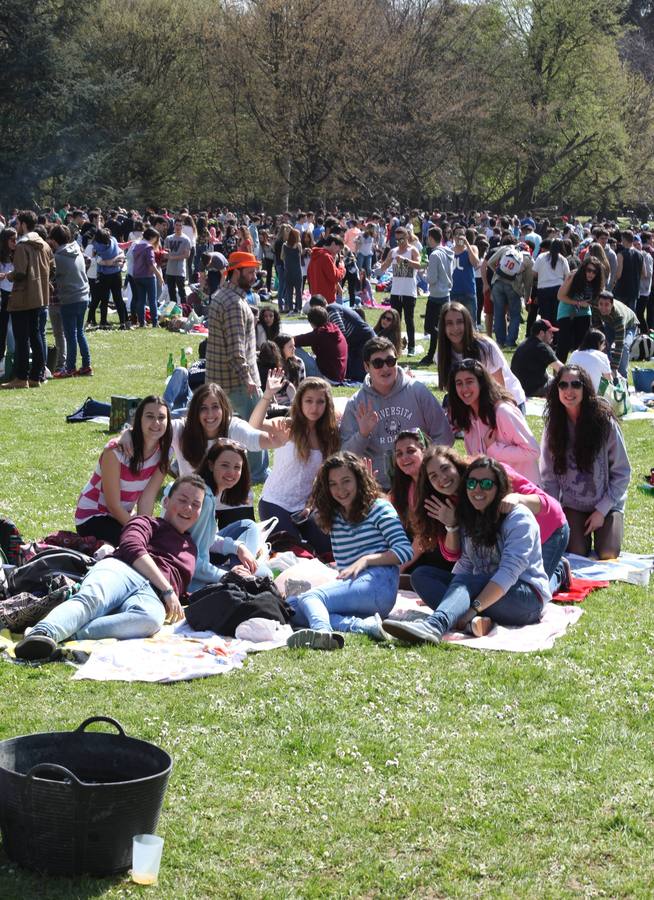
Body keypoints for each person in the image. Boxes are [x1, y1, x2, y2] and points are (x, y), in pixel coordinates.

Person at [14, 475, 207, 660]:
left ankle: (70, 634)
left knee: (150, 620)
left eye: (196, 504)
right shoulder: (147, 522)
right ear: (165, 502)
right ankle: (43, 632)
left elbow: (181, 586)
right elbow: (132, 547)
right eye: (182, 500)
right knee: (94, 599)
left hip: (152, 594)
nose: (188, 508)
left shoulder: (191, 548)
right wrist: (168, 589)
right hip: (123, 569)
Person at [383, 457, 550, 644]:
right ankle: (473, 622)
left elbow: (508, 573)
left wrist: (473, 608)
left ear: (499, 487)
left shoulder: (518, 518)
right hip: (484, 593)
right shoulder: (470, 516)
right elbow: (467, 562)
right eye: (471, 483)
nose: (477, 490)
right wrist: (450, 597)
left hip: (524, 599)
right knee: (422, 576)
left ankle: (434, 626)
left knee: (466, 583)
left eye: (486, 484)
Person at [408, 445, 569, 605]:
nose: (442, 478)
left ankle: (559, 571)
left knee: (533, 590)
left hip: (548, 530)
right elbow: (453, 555)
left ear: (456, 465)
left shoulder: (487, 471)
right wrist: (452, 526)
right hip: (505, 545)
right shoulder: (441, 503)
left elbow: (549, 504)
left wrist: (519, 498)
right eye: (433, 476)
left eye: (445, 468)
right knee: (499, 586)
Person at [286, 452, 413, 650]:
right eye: (333, 484)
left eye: (346, 481)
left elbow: (405, 551)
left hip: (379, 584)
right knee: (292, 607)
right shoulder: (333, 515)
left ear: (359, 480)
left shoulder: (379, 507)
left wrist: (367, 560)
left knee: (311, 598)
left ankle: (322, 633)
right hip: (354, 589)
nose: (340, 490)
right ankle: (364, 626)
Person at [540, 365, 631, 558]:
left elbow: (622, 472)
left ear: (585, 388)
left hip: (606, 502)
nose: (569, 391)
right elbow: (549, 477)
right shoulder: (553, 427)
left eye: (575, 384)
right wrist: (554, 515)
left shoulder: (604, 422)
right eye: (563, 385)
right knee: (575, 553)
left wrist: (602, 510)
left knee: (608, 552)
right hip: (573, 504)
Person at [340, 337, 453, 491]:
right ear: (367, 366)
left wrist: (426, 468)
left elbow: (445, 436)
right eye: (378, 363)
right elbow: (345, 456)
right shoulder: (357, 403)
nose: (385, 368)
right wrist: (362, 434)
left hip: (421, 483)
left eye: (390, 361)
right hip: (378, 488)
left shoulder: (417, 391)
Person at [254, 374, 340, 554]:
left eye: (320, 402)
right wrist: (268, 394)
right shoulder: (288, 426)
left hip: (306, 508)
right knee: (295, 552)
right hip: (275, 502)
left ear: (327, 404)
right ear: (299, 402)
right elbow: (254, 425)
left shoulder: (330, 436)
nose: (314, 407)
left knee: (328, 550)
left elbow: (324, 478)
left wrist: (311, 505)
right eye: (308, 401)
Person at [75, 396, 173, 546]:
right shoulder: (115, 451)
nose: (156, 423)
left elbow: (147, 499)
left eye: (161, 417)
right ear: (139, 419)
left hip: (122, 516)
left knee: (156, 542)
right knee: (135, 546)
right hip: (93, 516)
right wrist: (138, 531)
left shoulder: (165, 453)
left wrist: (143, 529)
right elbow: (113, 504)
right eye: (149, 416)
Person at [206, 251, 268, 483]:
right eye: (249, 272)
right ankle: (257, 474)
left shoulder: (223, 295)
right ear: (236, 272)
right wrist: (248, 378)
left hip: (218, 378)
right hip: (238, 381)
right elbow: (236, 348)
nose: (254, 276)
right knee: (254, 428)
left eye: (254, 271)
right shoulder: (234, 303)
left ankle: (187, 463)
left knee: (217, 429)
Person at [448, 358, 541, 484]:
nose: (464, 388)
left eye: (469, 382)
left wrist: (494, 449)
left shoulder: (503, 412)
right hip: (492, 491)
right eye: (459, 383)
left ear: (481, 383)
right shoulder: (468, 417)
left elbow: (533, 451)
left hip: (523, 492)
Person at [436, 302, 526, 408]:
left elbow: (499, 389)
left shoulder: (485, 347)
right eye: (449, 323)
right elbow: (452, 389)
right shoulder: (442, 354)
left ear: (467, 323)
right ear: (443, 327)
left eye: (460, 322)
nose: (455, 328)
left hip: (505, 401)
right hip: (474, 404)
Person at [1, 210, 53, 390]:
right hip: (39, 297)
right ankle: (36, 376)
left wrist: (7, 275)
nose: (16, 227)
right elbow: (52, 267)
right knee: (36, 335)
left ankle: (21, 377)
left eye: (17, 223)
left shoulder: (23, 246)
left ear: (23, 224)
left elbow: (20, 272)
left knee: (22, 339)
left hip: (23, 298)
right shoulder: (44, 244)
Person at [48, 224, 93, 377]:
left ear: (54, 240)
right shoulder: (77, 250)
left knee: (70, 335)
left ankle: (70, 368)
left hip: (69, 298)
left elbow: (51, 276)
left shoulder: (58, 257)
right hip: (84, 296)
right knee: (79, 332)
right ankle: (86, 366)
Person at [377, 227, 421, 355]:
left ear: (407, 237)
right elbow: (383, 269)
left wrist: (406, 261)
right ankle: (395, 346)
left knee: (409, 320)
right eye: (397, 240)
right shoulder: (393, 251)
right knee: (395, 322)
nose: (399, 242)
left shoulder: (412, 250)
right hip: (395, 291)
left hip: (409, 291)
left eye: (401, 239)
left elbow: (420, 265)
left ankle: (411, 347)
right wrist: (389, 260)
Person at [485, 239, 534, 348]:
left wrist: (498, 272)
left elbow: (489, 262)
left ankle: (500, 341)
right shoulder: (528, 260)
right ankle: (510, 341)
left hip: (497, 283)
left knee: (498, 313)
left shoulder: (506, 249)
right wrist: (527, 298)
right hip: (514, 287)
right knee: (515, 315)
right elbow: (528, 282)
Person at [556, 255, 604, 362]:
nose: (591, 274)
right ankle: (558, 374)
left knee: (582, 346)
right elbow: (560, 296)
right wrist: (578, 302)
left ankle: (579, 371)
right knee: (563, 345)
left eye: (594, 272)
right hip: (566, 312)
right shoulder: (574, 276)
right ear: (583, 269)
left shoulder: (597, 282)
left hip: (584, 313)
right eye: (589, 270)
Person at [419, 226, 454, 365]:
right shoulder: (448, 252)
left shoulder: (434, 255)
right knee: (440, 328)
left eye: (428, 238)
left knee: (430, 327)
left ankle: (431, 355)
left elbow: (432, 279)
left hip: (435, 296)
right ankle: (440, 354)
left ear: (432, 238)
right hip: (446, 294)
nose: (427, 240)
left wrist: (422, 274)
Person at [591, 290, 639, 380]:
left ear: (612, 305)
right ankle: (606, 374)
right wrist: (604, 344)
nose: (603, 307)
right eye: (601, 304)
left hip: (630, 325)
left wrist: (614, 368)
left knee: (624, 347)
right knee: (603, 344)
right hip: (610, 324)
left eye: (606, 305)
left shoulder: (619, 316)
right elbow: (597, 326)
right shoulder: (595, 308)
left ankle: (623, 379)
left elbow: (619, 345)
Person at [293, 306, 348, 383]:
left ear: (311, 322)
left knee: (292, 347)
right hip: (338, 376)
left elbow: (293, 341)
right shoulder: (334, 328)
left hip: (327, 377)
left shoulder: (319, 334)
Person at [510, 319, 563, 398]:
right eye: (550, 332)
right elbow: (562, 369)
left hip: (518, 388)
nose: (553, 335)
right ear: (541, 333)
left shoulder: (524, 343)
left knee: (552, 378)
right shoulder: (541, 347)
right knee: (564, 384)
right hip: (533, 390)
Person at [92, 228, 129, 329]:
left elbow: (101, 261)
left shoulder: (97, 246)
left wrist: (110, 262)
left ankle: (103, 323)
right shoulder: (113, 240)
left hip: (104, 275)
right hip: (116, 274)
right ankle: (123, 323)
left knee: (104, 300)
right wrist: (116, 261)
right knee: (118, 299)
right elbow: (120, 253)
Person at [531, 238, 570, 330]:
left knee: (545, 316)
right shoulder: (563, 259)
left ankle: (545, 336)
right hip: (558, 289)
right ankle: (555, 338)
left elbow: (534, 273)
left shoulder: (541, 257)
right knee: (556, 315)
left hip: (543, 289)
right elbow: (567, 276)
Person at [131, 226, 164, 328]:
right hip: (148, 276)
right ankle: (155, 322)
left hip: (137, 275)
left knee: (141, 300)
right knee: (152, 300)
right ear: (152, 237)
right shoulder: (148, 247)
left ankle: (142, 322)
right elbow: (151, 264)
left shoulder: (136, 246)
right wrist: (159, 276)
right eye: (155, 238)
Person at [450, 225, 480, 321]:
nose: (459, 237)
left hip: (468, 291)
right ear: (453, 237)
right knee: (455, 322)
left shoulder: (472, 248)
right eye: (457, 234)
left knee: (471, 323)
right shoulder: (450, 251)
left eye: (462, 234)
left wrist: (467, 244)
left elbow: (475, 263)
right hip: (453, 292)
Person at [306, 234, 345, 303]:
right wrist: (341, 267)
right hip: (326, 299)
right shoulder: (326, 256)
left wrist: (334, 261)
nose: (339, 251)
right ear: (333, 244)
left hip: (315, 297)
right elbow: (335, 277)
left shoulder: (315, 255)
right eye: (339, 247)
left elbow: (309, 275)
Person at [612, 230, 643, 311]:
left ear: (623, 239)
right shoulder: (640, 254)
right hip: (634, 290)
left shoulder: (621, 254)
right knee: (631, 316)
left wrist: (613, 282)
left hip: (622, 290)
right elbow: (644, 273)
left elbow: (618, 275)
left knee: (621, 315)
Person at [164, 220, 192, 307]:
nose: (178, 227)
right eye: (176, 225)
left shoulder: (186, 239)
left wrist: (173, 257)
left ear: (182, 227)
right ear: (174, 226)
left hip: (180, 270)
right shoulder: (168, 238)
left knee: (181, 291)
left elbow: (187, 254)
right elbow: (165, 252)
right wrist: (166, 256)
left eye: (180, 225)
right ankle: (174, 310)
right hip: (169, 269)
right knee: (171, 292)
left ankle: (185, 309)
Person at [281, 227, 303, 313]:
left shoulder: (284, 245)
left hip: (288, 271)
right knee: (298, 291)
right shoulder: (299, 245)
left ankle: (290, 308)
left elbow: (282, 257)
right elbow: (300, 254)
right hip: (297, 271)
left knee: (289, 291)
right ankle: (299, 308)